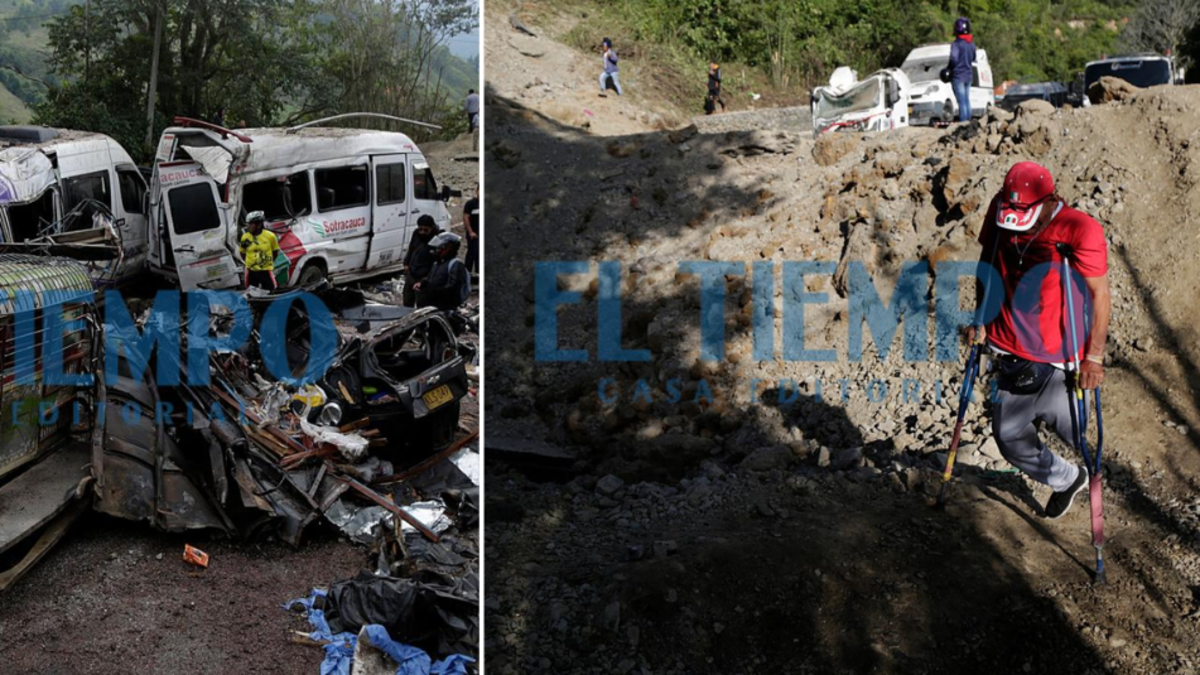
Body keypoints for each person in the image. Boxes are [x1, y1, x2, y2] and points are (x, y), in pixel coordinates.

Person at [966, 161, 1111, 519]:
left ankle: (1090, 470)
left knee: (1078, 433)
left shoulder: (1078, 228)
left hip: (1061, 357)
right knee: (1009, 438)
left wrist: (1094, 358)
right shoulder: (1000, 213)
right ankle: (1067, 478)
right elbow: (987, 262)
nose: (1014, 215)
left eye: (1024, 209)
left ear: (1049, 201)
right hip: (1010, 349)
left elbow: (1100, 294)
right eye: (1010, 207)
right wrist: (980, 317)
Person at [416, 232, 469, 311]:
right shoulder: (437, 263)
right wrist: (422, 283)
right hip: (432, 305)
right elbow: (430, 277)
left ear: (448, 248)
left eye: (439, 248)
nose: (436, 251)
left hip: (444, 308)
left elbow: (453, 288)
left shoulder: (456, 265)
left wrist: (434, 293)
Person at [403, 215, 442, 307]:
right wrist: (406, 263)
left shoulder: (438, 239)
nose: (422, 232)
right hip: (411, 274)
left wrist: (425, 280)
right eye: (420, 229)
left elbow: (437, 263)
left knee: (422, 305)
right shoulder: (416, 234)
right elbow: (411, 249)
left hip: (424, 278)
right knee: (407, 303)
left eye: (425, 230)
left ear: (432, 228)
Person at [239, 210, 281, 289]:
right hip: (251, 272)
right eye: (248, 224)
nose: (248, 226)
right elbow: (242, 252)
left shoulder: (270, 236)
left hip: (266, 271)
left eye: (251, 224)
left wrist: (267, 262)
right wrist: (250, 263)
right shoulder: (246, 237)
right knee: (250, 292)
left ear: (259, 224)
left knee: (270, 291)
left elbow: (275, 252)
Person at [949, 17, 977, 122]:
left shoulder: (956, 44)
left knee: (961, 102)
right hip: (968, 75)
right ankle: (968, 122)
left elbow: (954, 59)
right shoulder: (972, 44)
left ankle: (963, 124)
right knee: (966, 100)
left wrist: (949, 69)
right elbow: (973, 58)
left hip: (958, 75)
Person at [463, 183, 479, 275]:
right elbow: (465, 217)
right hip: (474, 234)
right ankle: (467, 273)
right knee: (472, 253)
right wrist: (470, 232)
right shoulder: (471, 204)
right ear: (477, 191)